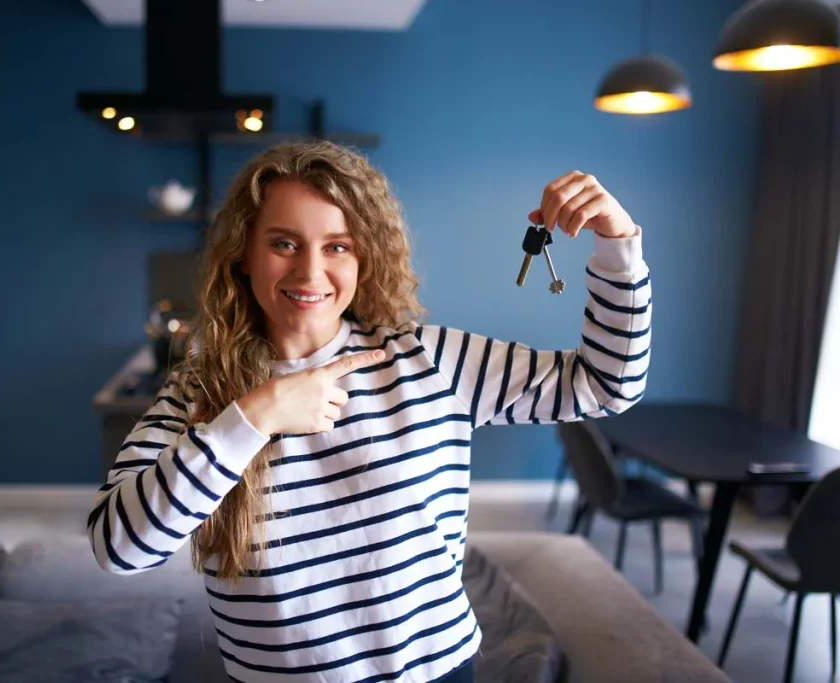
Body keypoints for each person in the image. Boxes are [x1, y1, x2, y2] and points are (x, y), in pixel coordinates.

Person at [88, 141, 651, 683]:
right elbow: (118, 548)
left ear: (365, 256)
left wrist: (617, 245)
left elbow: (607, 385)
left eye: (337, 246)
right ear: (243, 255)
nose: (310, 273)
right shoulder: (196, 393)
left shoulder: (430, 360)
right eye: (284, 243)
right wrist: (256, 416)